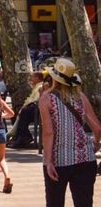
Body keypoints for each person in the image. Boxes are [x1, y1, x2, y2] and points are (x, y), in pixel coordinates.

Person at [39, 57, 101, 207]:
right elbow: (97, 128)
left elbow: (48, 132)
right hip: (86, 159)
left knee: (55, 202)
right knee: (84, 203)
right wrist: (96, 143)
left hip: (59, 160)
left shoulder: (46, 99)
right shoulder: (81, 97)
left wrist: (48, 161)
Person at [8, 71, 47, 148]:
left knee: (25, 111)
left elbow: (36, 100)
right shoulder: (36, 86)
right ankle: (19, 136)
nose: (31, 79)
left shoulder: (40, 87)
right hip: (35, 108)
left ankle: (24, 137)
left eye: (32, 77)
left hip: (38, 110)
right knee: (17, 111)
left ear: (37, 78)